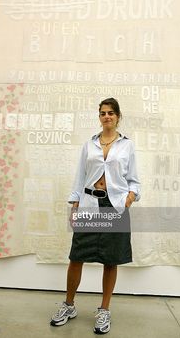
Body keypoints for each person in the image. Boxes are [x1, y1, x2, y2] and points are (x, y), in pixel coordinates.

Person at [50, 97, 141, 334]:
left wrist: (129, 198)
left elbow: (134, 180)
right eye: (103, 113)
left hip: (115, 206)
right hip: (89, 204)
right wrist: (75, 204)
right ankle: (69, 305)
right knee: (76, 255)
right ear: (99, 117)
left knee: (111, 260)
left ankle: (104, 310)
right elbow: (80, 176)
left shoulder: (127, 145)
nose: (107, 116)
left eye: (111, 112)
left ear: (118, 116)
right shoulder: (89, 144)